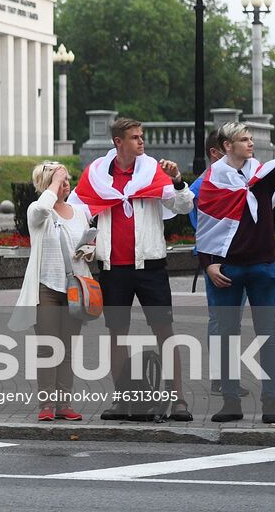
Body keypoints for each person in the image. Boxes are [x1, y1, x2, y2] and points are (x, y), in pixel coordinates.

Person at [68, 117, 195, 421]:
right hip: (113, 268)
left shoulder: (152, 171)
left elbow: (184, 206)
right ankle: (123, 401)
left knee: (165, 331)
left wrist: (177, 180)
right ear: (118, 142)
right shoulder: (97, 175)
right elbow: (75, 211)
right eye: (135, 137)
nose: (141, 142)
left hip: (150, 265)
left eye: (142, 136)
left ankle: (178, 400)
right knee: (116, 335)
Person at [196, 117, 275, 424]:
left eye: (251, 138)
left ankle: (270, 403)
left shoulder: (261, 175)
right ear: (227, 146)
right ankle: (230, 402)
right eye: (244, 139)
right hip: (227, 270)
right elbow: (206, 227)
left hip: (263, 268)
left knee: (267, 336)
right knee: (227, 336)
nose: (251, 143)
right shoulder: (213, 180)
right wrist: (208, 264)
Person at [10, 161, 87, 422]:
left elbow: (93, 243)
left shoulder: (79, 212)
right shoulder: (37, 210)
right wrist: (54, 182)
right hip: (47, 288)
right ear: (46, 183)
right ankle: (46, 405)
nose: (66, 182)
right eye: (58, 179)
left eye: (66, 178)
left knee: (67, 348)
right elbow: (44, 206)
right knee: (48, 347)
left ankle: (65, 403)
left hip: (76, 288)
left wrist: (90, 248)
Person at [187, 131, 239, 397]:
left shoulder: (236, 179)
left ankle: (228, 376)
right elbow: (200, 224)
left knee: (232, 319)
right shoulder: (202, 184)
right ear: (215, 153)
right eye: (228, 149)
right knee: (220, 319)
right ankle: (221, 378)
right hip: (216, 259)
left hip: (234, 255)